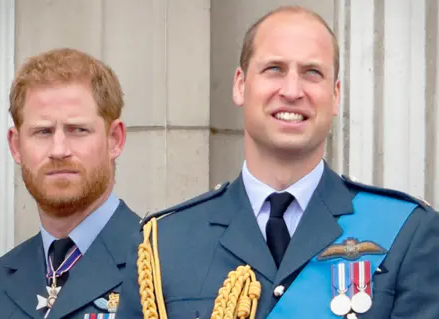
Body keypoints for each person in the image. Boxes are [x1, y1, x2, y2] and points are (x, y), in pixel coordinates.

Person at [117, 5, 439, 319]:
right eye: (275, 69)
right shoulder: (165, 245)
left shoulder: (407, 234)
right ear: (241, 85)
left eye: (312, 73)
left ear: (336, 95)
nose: (292, 90)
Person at [0, 48, 140, 319]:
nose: (59, 150)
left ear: (115, 139)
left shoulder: (163, 268)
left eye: (77, 130)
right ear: (16, 146)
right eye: (42, 132)